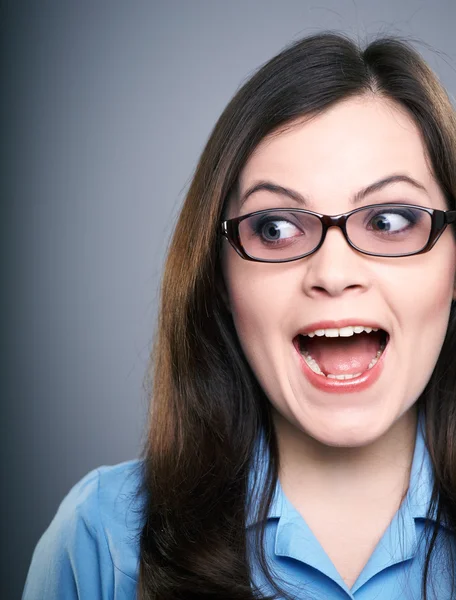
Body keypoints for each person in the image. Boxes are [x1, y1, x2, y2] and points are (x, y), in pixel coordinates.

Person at [23, 31, 456, 600]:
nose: (332, 271)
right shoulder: (98, 540)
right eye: (275, 228)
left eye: (389, 221)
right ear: (222, 280)